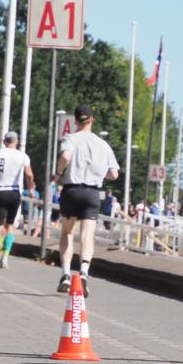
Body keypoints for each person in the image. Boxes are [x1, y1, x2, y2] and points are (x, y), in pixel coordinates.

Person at [53, 105, 120, 297]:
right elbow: (114, 174)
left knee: (67, 232)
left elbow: (66, 156)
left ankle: (66, 274)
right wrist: (99, 173)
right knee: (87, 235)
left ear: (75, 121)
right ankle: (84, 271)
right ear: (92, 119)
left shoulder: (71, 138)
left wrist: (58, 173)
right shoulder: (103, 144)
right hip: (92, 193)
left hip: (72, 189)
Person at [0, 131, 34, 269]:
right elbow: (29, 175)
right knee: (10, 225)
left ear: (4, 141)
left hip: (0, 191)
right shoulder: (23, 156)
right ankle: (5, 257)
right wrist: (31, 189)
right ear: (16, 142)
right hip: (15, 192)